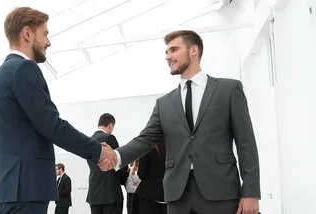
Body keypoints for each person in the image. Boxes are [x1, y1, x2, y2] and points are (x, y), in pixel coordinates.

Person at [111, 30, 261, 214]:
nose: (168, 57)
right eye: (166, 52)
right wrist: (116, 156)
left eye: (173, 50)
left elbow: (246, 143)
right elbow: (145, 139)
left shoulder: (228, 90)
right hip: (177, 195)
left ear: (193, 50)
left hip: (220, 191)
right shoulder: (164, 103)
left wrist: (251, 192)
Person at [0, 6, 117, 214]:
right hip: (27, 190)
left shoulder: (2, 74)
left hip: (11, 190)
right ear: (27, 33)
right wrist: (98, 150)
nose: (48, 42)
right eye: (45, 34)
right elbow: (52, 126)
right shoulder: (23, 69)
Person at [87, 113, 129, 214]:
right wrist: (125, 176)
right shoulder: (109, 138)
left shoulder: (88, 140)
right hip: (110, 193)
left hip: (94, 192)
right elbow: (118, 161)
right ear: (110, 125)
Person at [134, 138, 167, 214]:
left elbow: (142, 174)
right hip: (169, 195)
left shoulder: (147, 147)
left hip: (148, 194)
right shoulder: (174, 146)